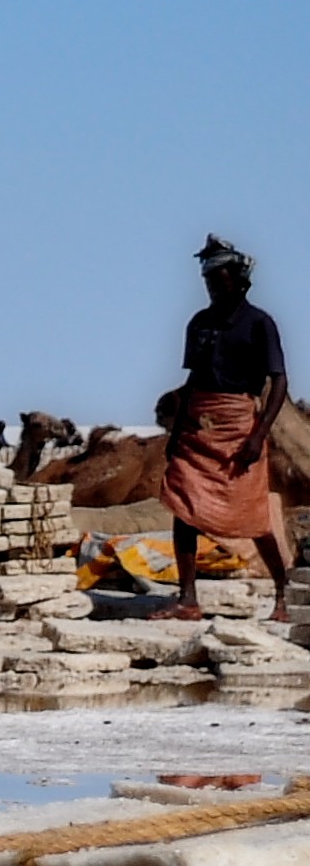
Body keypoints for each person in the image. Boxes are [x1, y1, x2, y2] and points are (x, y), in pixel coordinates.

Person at [160, 236, 292, 618]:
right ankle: (187, 599)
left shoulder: (259, 324)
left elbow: (278, 382)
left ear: (240, 281)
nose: (214, 288)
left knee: (253, 515)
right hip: (198, 424)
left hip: (239, 427)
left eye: (221, 280)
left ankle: (282, 595)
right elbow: (193, 380)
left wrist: (258, 435)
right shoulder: (199, 324)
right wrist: (177, 433)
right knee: (184, 508)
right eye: (209, 282)